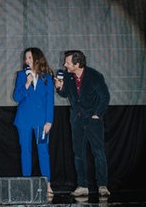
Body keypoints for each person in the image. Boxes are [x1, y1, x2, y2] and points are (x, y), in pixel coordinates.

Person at [53, 50, 110, 197]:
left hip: (93, 120)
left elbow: (105, 97)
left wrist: (97, 114)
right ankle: (82, 185)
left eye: (68, 62)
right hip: (77, 120)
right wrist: (59, 87)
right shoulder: (67, 75)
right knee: (79, 154)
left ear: (77, 64)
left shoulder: (94, 76)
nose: (64, 64)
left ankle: (102, 185)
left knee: (98, 153)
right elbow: (65, 94)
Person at [12, 47, 55, 194]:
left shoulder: (47, 78)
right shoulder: (21, 75)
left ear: (37, 59)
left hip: (41, 122)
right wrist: (26, 83)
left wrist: (49, 121)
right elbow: (16, 97)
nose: (27, 61)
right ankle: (26, 184)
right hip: (23, 120)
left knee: (43, 152)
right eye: (26, 58)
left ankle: (47, 184)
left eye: (29, 58)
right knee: (25, 151)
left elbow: (50, 101)